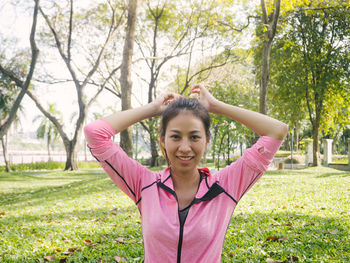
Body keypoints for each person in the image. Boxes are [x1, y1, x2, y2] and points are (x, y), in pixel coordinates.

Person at [84, 84, 288, 263]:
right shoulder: (144, 184)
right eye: (175, 136)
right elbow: (95, 133)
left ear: (206, 141)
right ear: (163, 140)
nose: (184, 147)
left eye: (194, 137)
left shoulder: (225, 186)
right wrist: (153, 109)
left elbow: (276, 131)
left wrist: (216, 107)